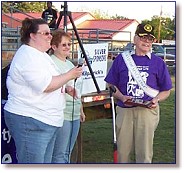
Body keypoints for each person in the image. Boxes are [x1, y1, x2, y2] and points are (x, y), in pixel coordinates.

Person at [3, 18, 83, 163]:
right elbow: (46, 86)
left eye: (50, 33)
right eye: (45, 33)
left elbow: (50, 79)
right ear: (32, 36)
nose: (50, 36)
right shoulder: (28, 56)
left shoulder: (40, 55)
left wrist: (66, 88)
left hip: (46, 120)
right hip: (31, 120)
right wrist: (70, 75)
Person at [105, 23, 172, 163]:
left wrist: (156, 99)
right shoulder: (122, 59)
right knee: (123, 154)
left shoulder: (158, 63)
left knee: (144, 154)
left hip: (147, 112)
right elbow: (110, 84)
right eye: (143, 38)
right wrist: (122, 97)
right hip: (125, 111)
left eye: (150, 39)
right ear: (135, 39)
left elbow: (166, 90)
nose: (147, 41)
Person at [49, 29, 86, 163]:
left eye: (69, 44)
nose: (67, 47)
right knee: (59, 153)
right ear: (54, 47)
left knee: (68, 151)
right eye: (63, 45)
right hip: (62, 112)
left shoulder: (69, 63)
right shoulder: (50, 62)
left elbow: (78, 88)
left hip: (74, 112)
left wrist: (80, 109)